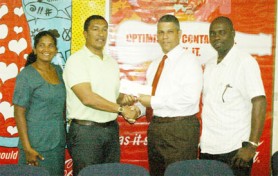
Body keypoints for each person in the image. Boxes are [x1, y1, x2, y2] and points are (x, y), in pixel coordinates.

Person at [63, 15, 139, 176]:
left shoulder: (111, 62)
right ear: (85, 34)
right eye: (95, 29)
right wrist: (121, 109)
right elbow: (87, 98)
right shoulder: (76, 61)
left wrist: (124, 100)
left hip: (110, 131)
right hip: (86, 133)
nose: (101, 34)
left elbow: (111, 96)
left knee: (111, 173)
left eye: (105, 29)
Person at [200, 16, 267, 176]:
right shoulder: (209, 65)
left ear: (233, 34)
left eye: (222, 32)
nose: (216, 37)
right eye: (213, 33)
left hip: (235, 151)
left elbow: (259, 101)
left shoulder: (244, 62)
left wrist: (251, 145)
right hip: (208, 149)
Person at [138, 14, 203, 176]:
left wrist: (152, 101)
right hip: (157, 129)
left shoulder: (190, 61)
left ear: (179, 34)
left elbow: (190, 98)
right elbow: (148, 96)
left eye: (169, 32)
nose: (164, 37)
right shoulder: (154, 65)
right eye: (161, 32)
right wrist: (136, 109)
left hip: (181, 130)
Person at [13, 31, 66, 176]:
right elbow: (18, 112)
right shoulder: (26, 75)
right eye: (41, 45)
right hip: (35, 145)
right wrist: (27, 148)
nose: (46, 50)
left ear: (55, 50)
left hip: (57, 143)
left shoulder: (58, 70)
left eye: (50, 46)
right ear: (35, 49)